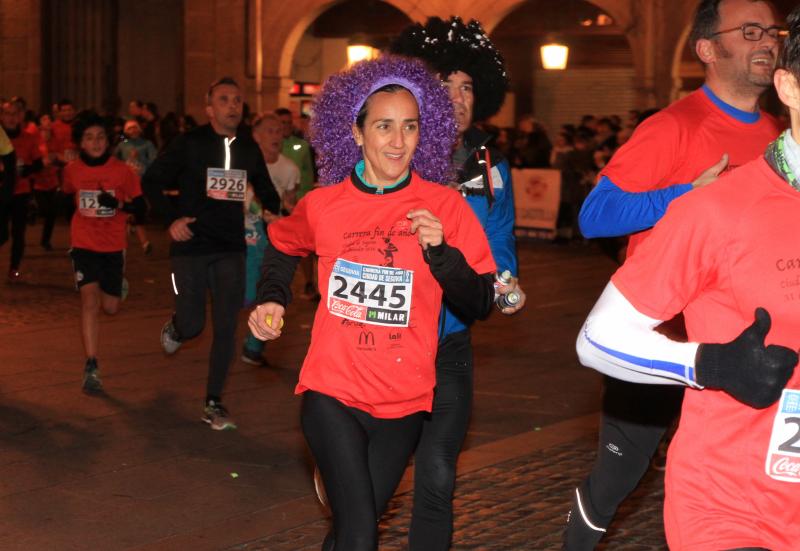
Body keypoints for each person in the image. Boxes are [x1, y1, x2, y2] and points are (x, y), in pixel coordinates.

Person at [248, 55, 496, 551]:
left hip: (404, 401)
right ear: (356, 133)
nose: (398, 142)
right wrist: (272, 300)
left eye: (410, 127)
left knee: (349, 531)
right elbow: (281, 244)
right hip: (331, 389)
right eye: (384, 126)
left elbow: (481, 301)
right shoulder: (324, 204)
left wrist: (441, 255)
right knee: (361, 535)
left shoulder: (444, 206)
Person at [575, 7, 800, 548]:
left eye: (769, 30)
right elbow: (593, 216)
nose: (763, 40)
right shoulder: (674, 127)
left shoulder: (771, 130)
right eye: (748, 31)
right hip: (671, 331)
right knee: (621, 470)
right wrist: (709, 362)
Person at [391, 16, 526, 550]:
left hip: (450, 340)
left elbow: (500, 238)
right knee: (376, 477)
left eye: (467, 86)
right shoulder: (390, 156)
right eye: (445, 84)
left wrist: (504, 282)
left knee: (438, 473)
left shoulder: (489, 164)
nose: (458, 96)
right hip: (389, 341)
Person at [142, 77, 280, 430]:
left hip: (230, 247)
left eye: (237, 100)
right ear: (209, 108)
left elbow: (266, 189)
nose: (232, 106)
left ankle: (214, 402)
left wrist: (276, 212)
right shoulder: (189, 143)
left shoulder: (248, 148)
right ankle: (176, 327)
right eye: (224, 99)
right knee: (193, 324)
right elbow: (151, 180)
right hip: (190, 245)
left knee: (224, 327)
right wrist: (171, 220)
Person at [62, 113, 145, 393]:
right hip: (83, 243)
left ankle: (119, 284)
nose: (95, 142)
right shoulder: (72, 170)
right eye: (89, 137)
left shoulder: (123, 171)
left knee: (110, 307)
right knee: (88, 300)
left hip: (113, 245)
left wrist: (118, 204)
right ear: (80, 142)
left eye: (100, 137)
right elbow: (66, 198)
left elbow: (143, 210)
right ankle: (91, 364)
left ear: (108, 140)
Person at [240, 113, 300, 366]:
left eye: (279, 131)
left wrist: (288, 212)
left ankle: (254, 346)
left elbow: (289, 202)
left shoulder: (289, 169)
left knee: (269, 292)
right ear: (256, 136)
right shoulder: (242, 165)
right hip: (241, 236)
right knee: (243, 293)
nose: (276, 136)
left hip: (271, 240)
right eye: (270, 131)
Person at [0, 100, 42, 281]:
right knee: (1, 233)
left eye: (14, 114)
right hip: (1, 193)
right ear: (1, 117)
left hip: (21, 192)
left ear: (20, 117)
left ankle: (14, 267)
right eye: (7, 114)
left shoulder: (28, 137)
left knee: (19, 233)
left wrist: (28, 170)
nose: (11, 118)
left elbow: (39, 163)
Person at [116, 119, 157, 255]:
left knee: (142, 208)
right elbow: (114, 160)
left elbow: (154, 160)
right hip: (126, 182)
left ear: (140, 129)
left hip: (142, 181)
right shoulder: (123, 144)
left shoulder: (147, 144)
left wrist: (141, 159)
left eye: (135, 128)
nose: (133, 131)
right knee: (131, 209)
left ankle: (132, 224)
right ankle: (143, 242)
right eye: (129, 129)